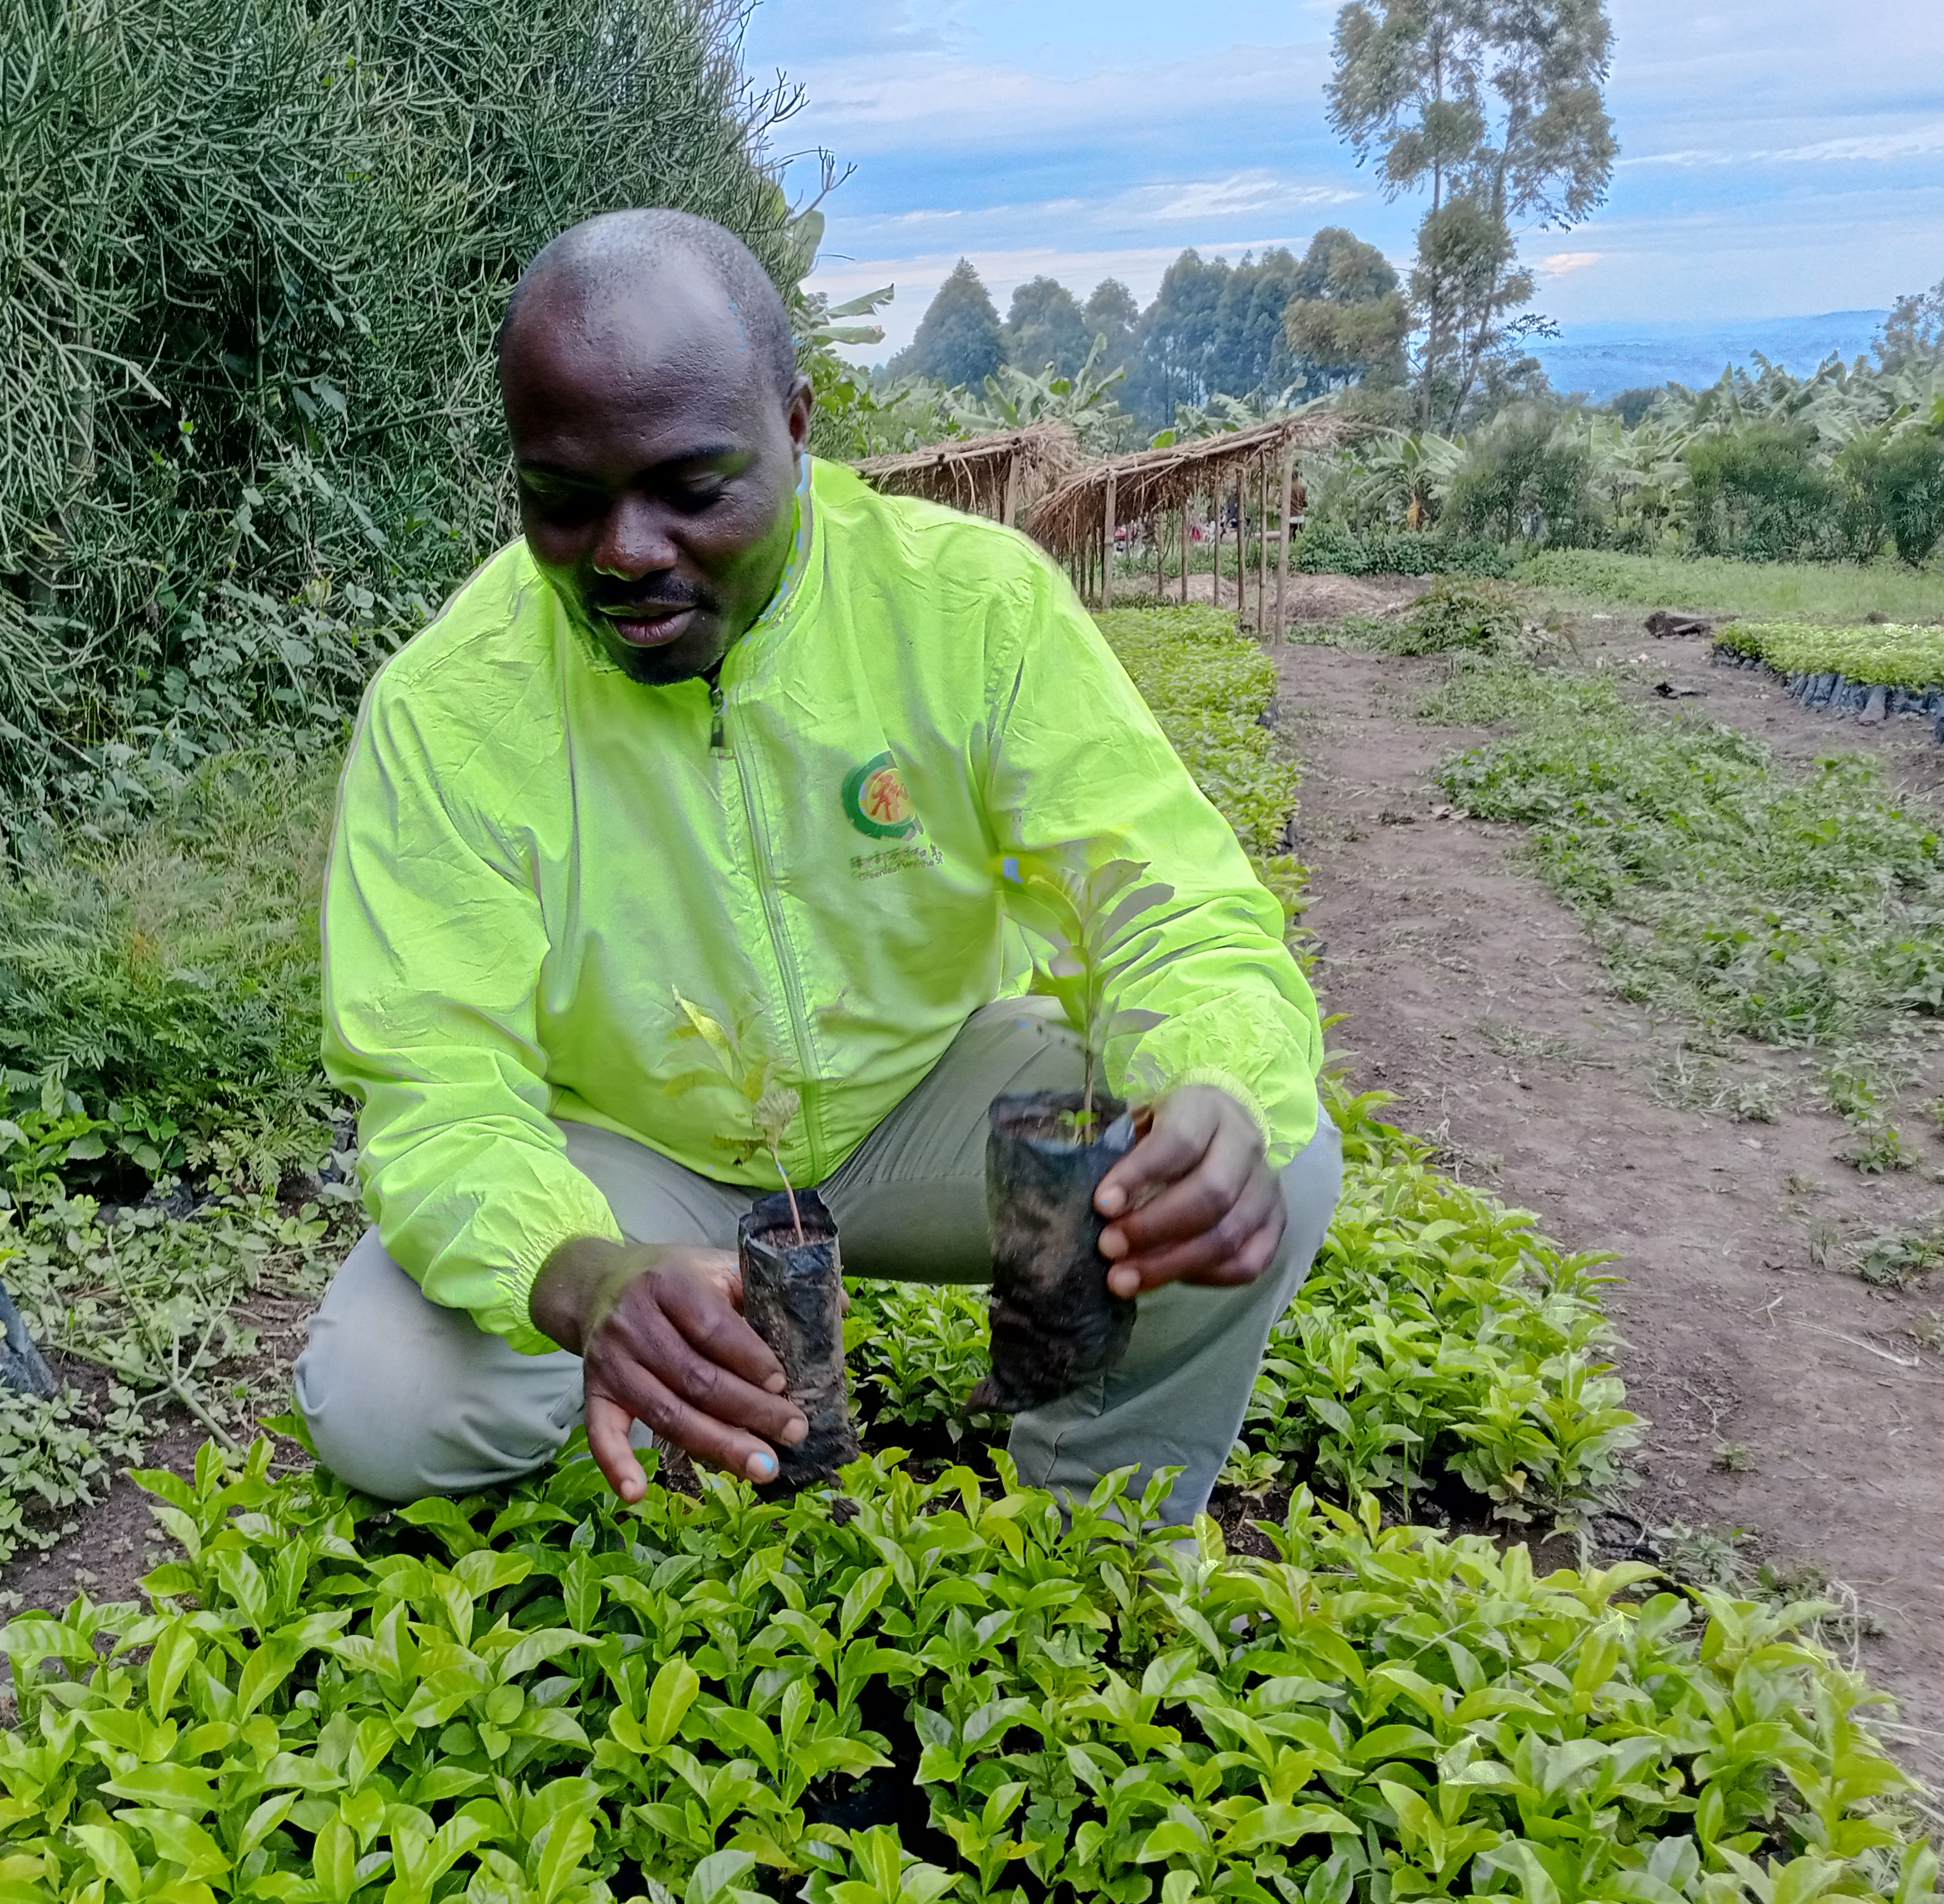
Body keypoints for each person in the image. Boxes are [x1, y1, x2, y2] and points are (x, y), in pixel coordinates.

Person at [297, 209, 1339, 1518]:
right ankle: (658, 1385)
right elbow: (434, 1085)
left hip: (927, 1105)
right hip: (631, 1150)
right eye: (563, 502)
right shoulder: (449, 708)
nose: (624, 553)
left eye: (692, 489)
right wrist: (579, 1275)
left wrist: (1220, 1082)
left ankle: (1105, 1513)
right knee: (388, 1400)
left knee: (1262, 1154)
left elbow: (1167, 909)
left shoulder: (970, 609)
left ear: (795, 427)